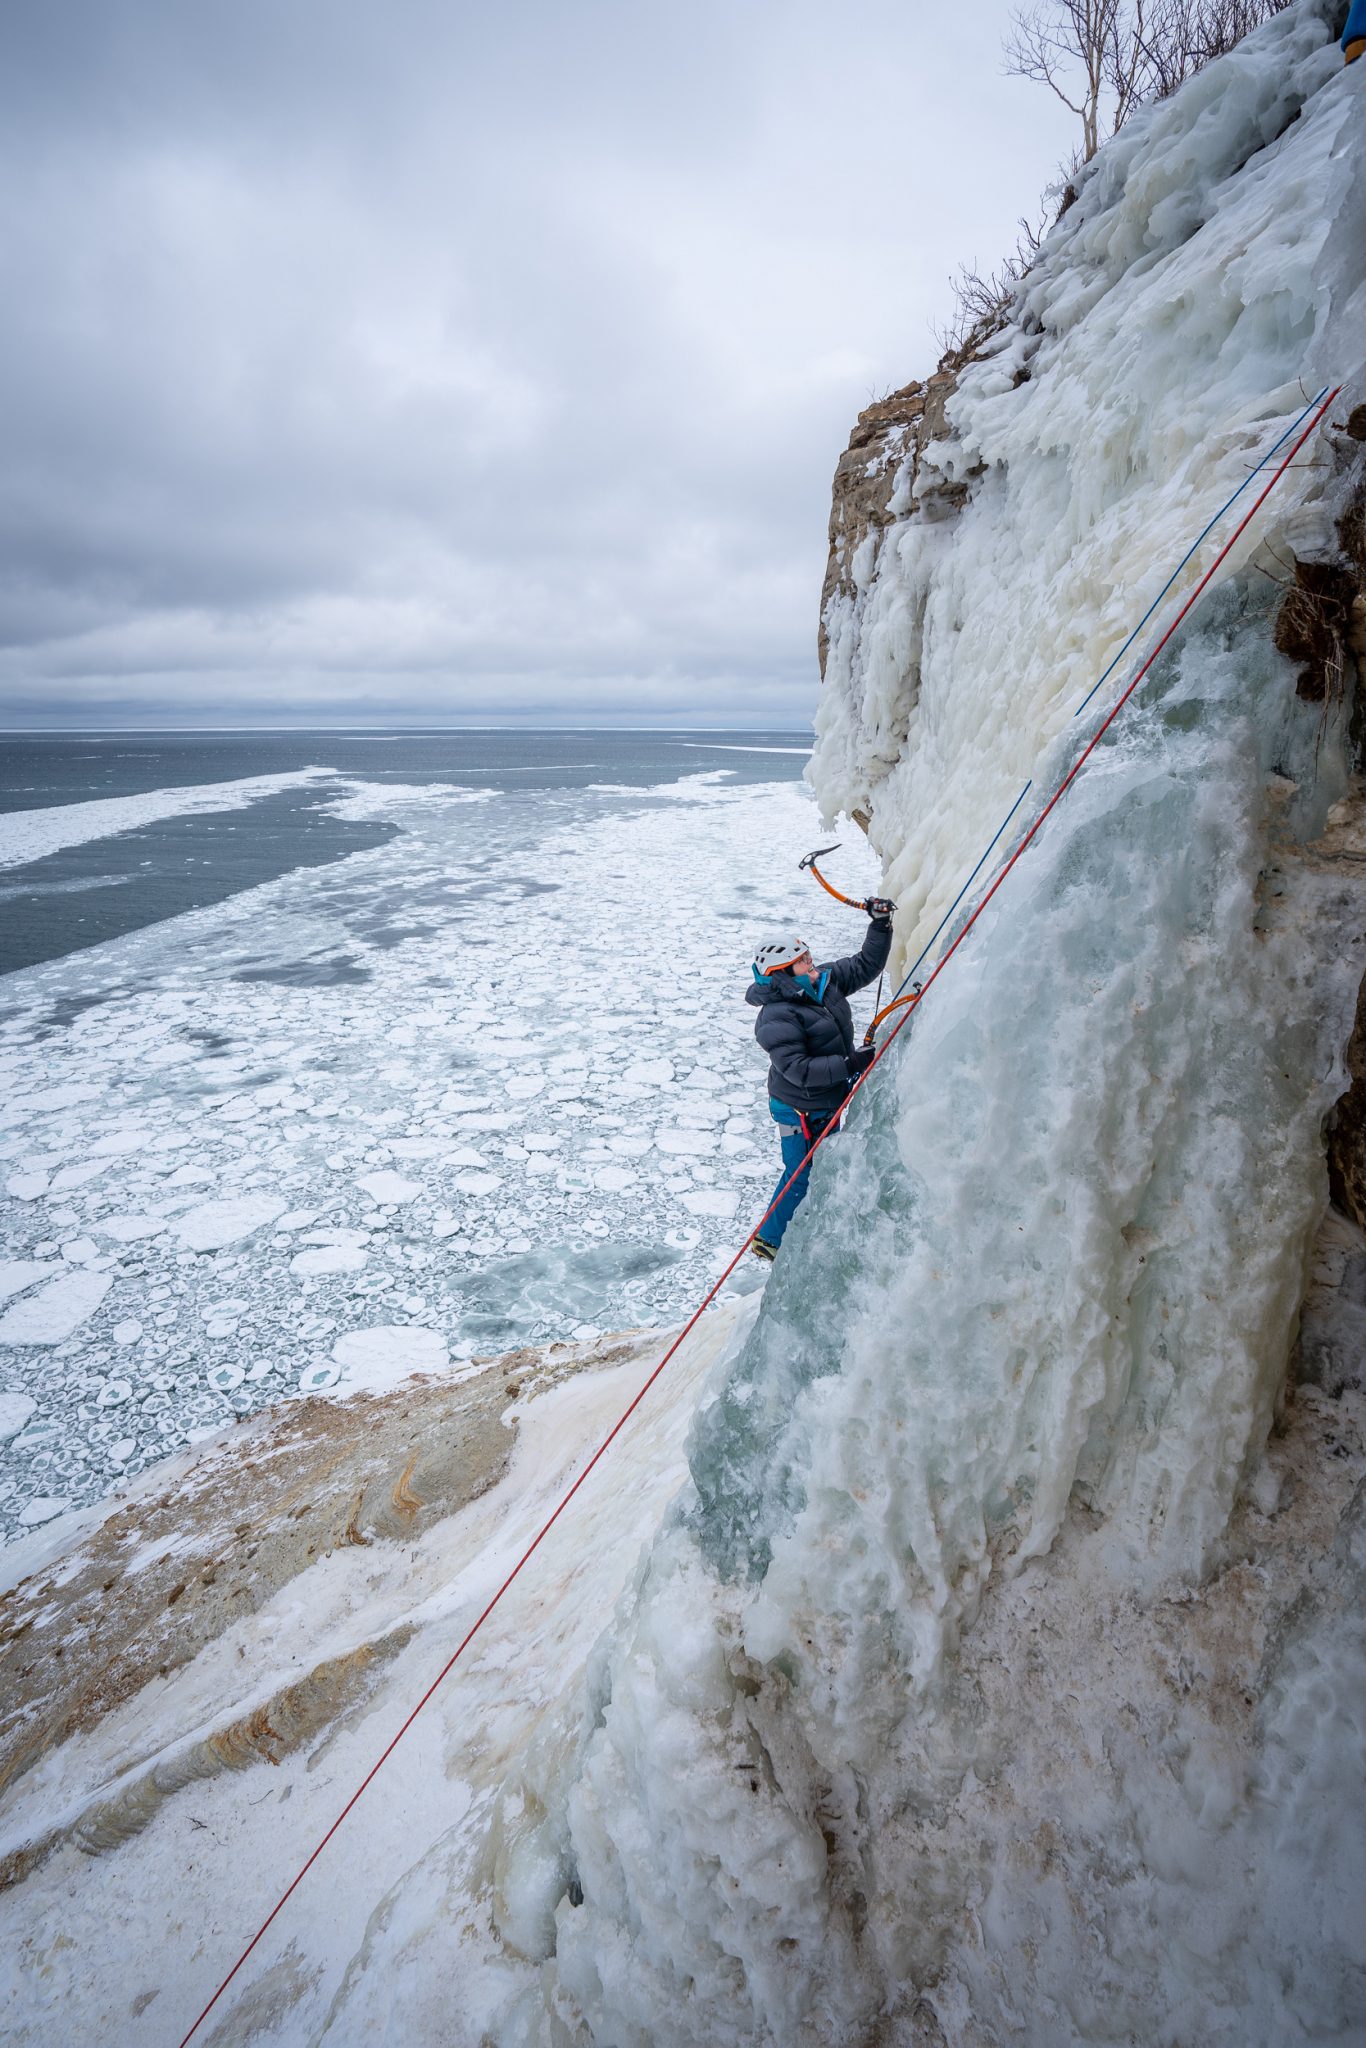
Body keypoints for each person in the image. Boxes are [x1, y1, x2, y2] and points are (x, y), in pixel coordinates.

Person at [745, 901, 894, 1259]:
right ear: (783, 972)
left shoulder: (823, 982)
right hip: (799, 1108)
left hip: (827, 1097)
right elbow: (798, 1069)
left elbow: (864, 965)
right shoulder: (776, 1016)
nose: (811, 961)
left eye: (808, 955)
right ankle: (769, 1240)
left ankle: (808, 1228)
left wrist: (880, 925)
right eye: (802, 960)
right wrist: (849, 1063)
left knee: (820, 1168)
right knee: (801, 1174)